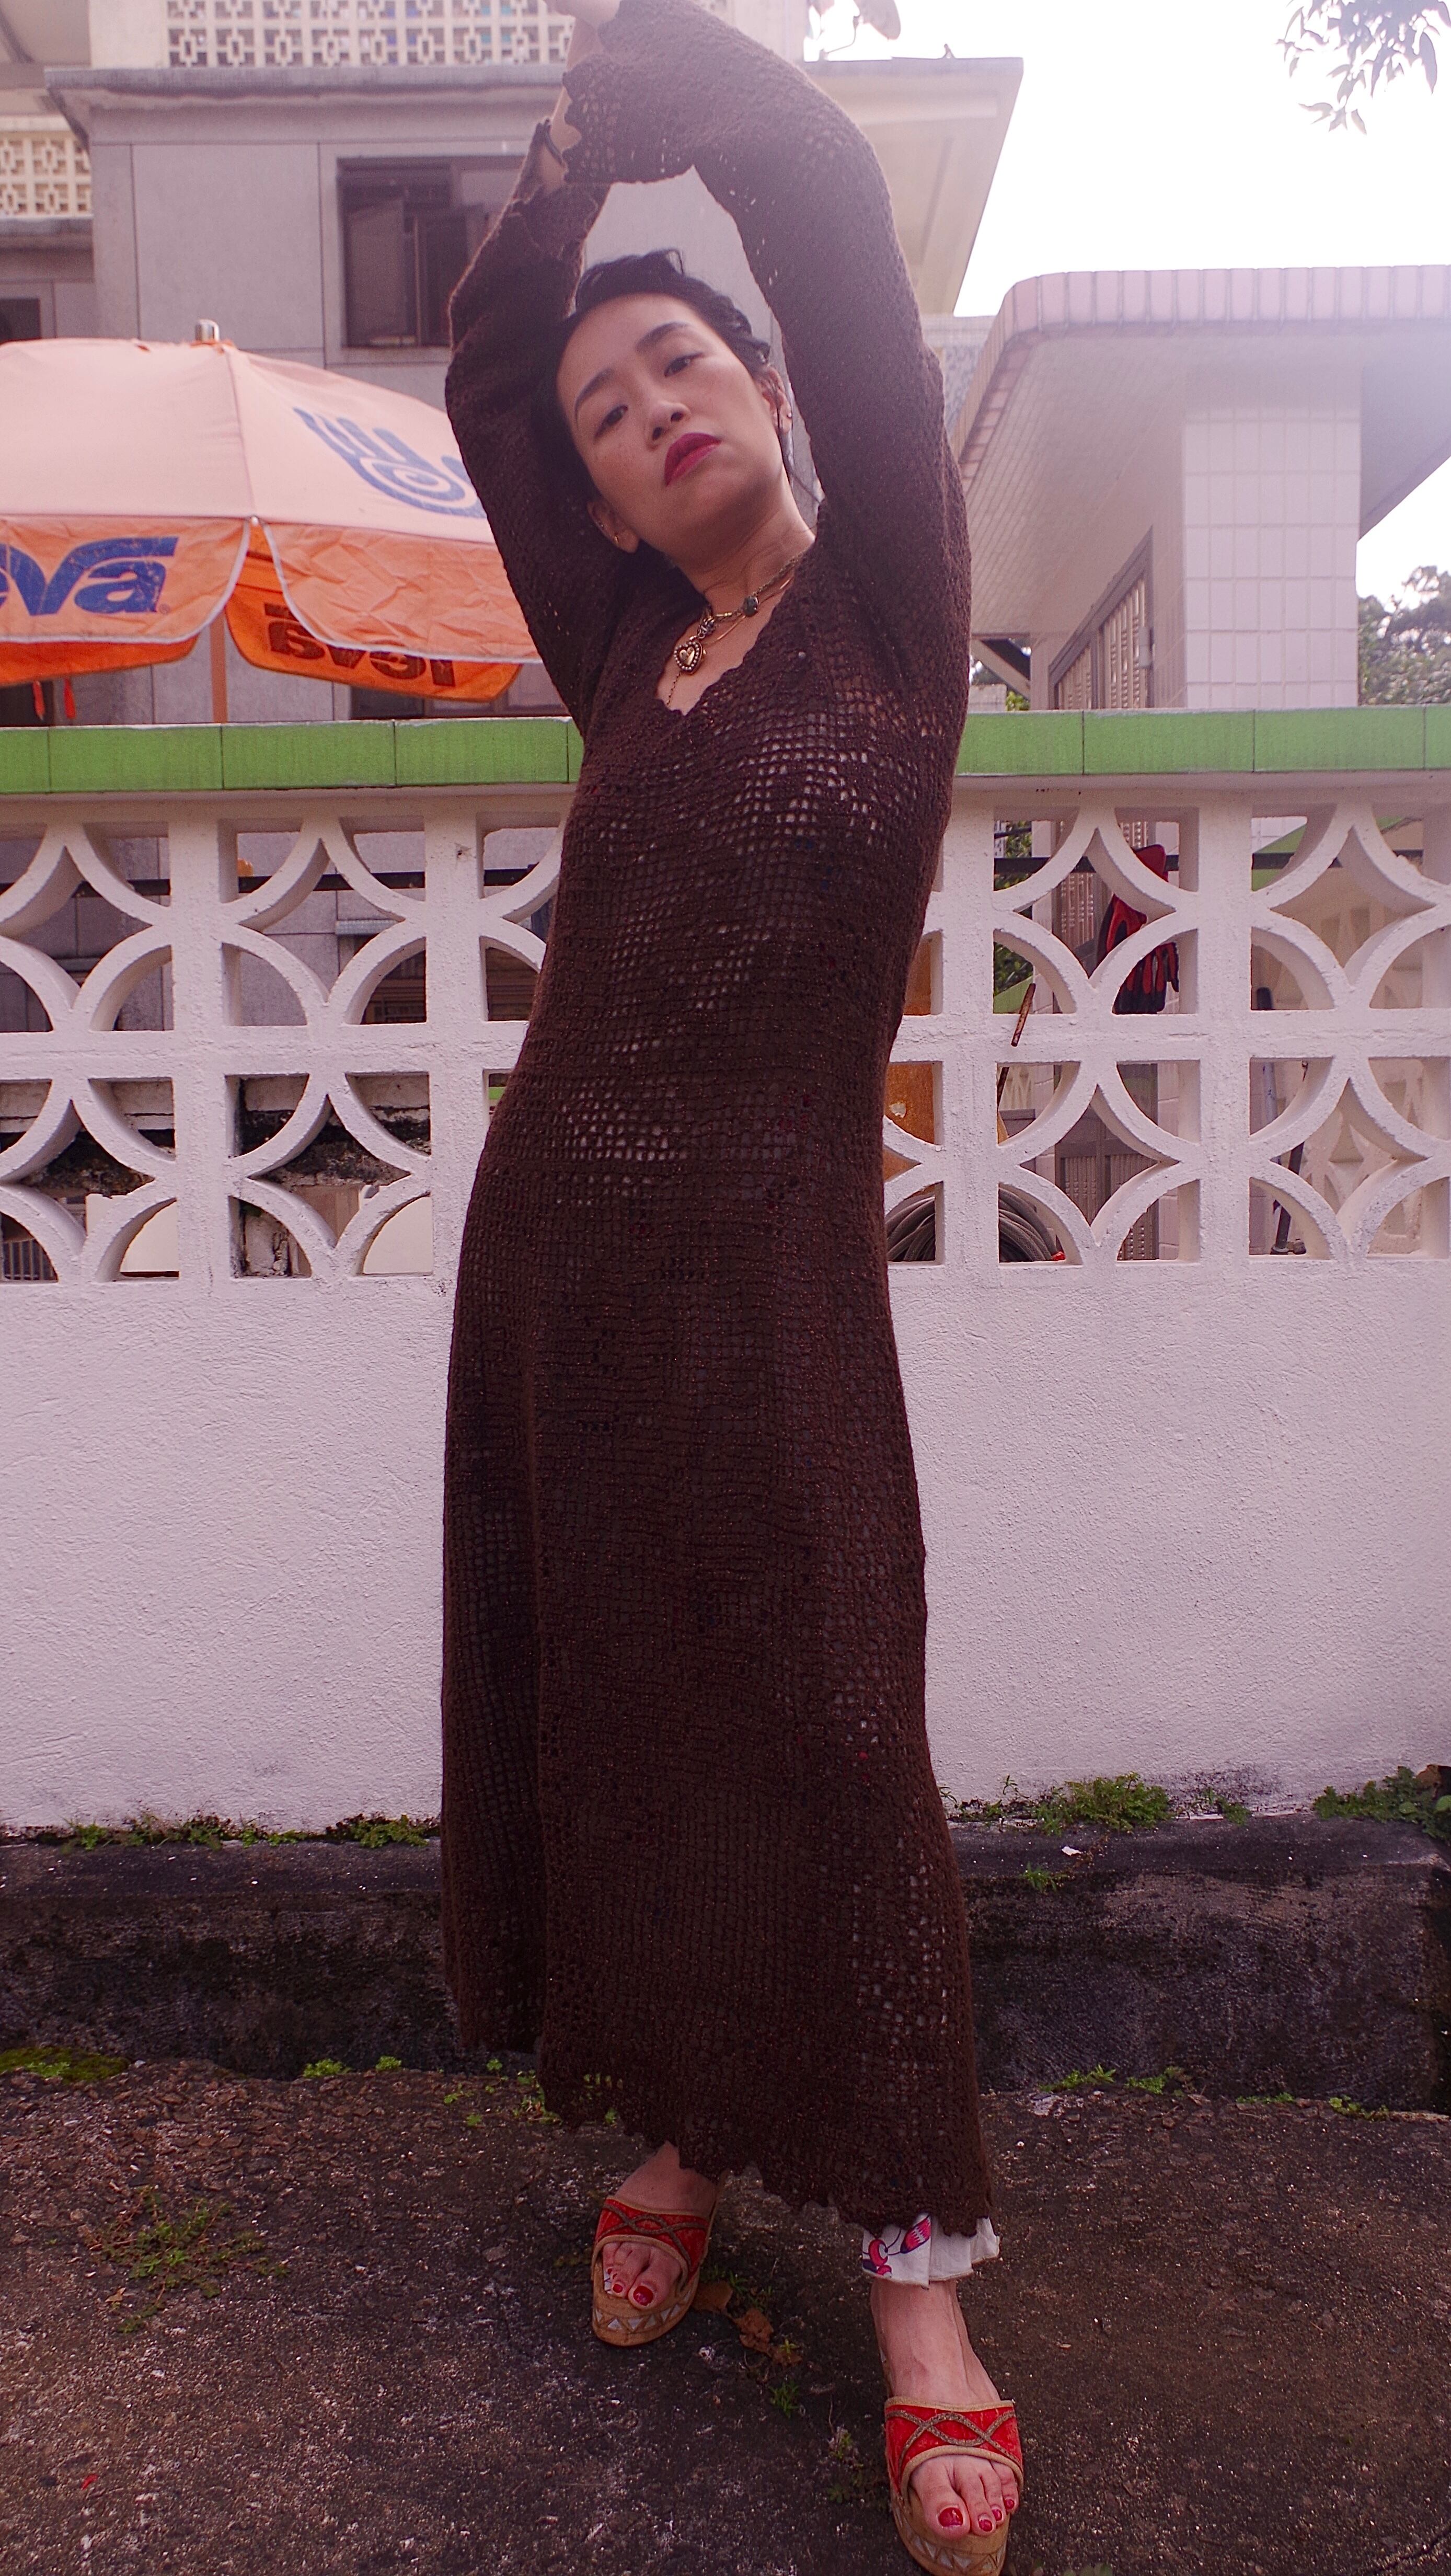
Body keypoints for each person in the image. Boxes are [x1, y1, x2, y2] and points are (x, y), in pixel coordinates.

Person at [440, 0, 1022, 2561]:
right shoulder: (621, 660)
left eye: (680, 364)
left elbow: (838, 231)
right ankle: (676, 2126)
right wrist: (556, 182)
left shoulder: (888, 605)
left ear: (774, 390)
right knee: (619, 1699)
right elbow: (482, 378)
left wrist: (653, 82)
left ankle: (918, 2284)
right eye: (609, 409)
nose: (643, 409)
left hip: (771, 1266)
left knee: (827, 1716)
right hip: (557, 1269)